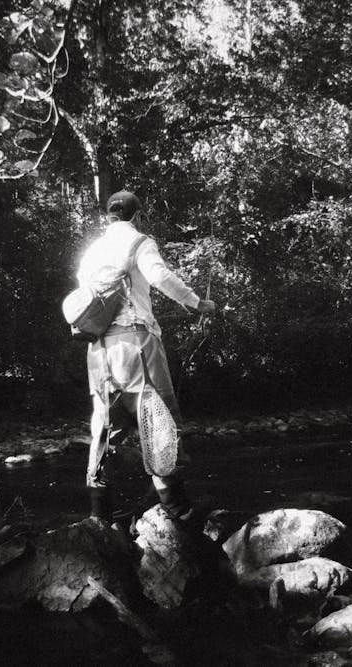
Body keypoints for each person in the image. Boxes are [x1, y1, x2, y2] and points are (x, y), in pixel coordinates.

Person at [77, 190, 216, 522]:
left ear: (109, 217)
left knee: (105, 429)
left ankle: (100, 516)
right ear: (138, 216)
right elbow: (159, 276)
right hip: (136, 343)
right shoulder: (139, 241)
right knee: (160, 420)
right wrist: (198, 302)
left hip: (98, 352)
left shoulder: (91, 252)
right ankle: (179, 510)